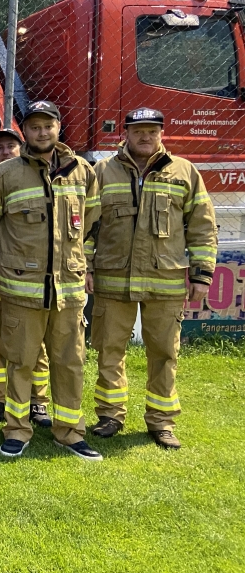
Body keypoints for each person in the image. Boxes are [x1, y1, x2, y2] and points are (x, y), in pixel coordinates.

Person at [0, 100, 103, 460]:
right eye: (34, 127)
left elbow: (93, 223)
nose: (42, 132)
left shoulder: (82, 172)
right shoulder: (4, 175)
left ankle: (70, 432)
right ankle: (17, 430)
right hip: (22, 293)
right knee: (20, 362)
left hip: (69, 292)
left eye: (48, 126)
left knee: (70, 363)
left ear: (58, 127)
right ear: (25, 132)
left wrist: (81, 263)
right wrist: (3, 264)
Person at [89, 108, 217, 449]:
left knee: (164, 353)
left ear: (162, 133)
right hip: (113, 278)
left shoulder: (185, 172)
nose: (145, 136)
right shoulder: (102, 171)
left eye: (152, 130)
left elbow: (202, 227)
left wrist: (202, 274)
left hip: (166, 281)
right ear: (126, 134)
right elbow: (87, 225)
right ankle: (110, 415)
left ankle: (161, 421)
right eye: (138, 131)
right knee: (109, 349)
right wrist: (85, 267)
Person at [0, 129, 53, 425]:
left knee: (35, 347)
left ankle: (37, 402)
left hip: (30, 285)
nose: (5, 152)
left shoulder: (41, 184)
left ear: (22, 148)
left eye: (11, 146)